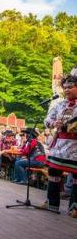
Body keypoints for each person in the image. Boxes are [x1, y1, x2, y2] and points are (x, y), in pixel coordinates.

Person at [42, 73, 77, 217]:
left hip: (75, 145)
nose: (67, 90)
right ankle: (52, 203)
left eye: (71, 87)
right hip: (59, 145)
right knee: (53, 172)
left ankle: (75, 207)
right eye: (65, 87)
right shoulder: (60, 104)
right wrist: (52, 123)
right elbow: (47, 119)